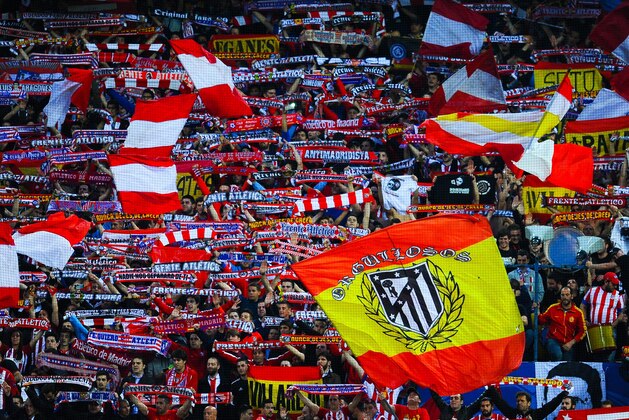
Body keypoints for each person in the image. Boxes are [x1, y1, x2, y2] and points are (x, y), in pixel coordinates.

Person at [580, 272, 626, 361]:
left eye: (616, 284)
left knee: (609, 358)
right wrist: (585, 319)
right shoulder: (593, 291)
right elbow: (582, 305)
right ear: (606, 282)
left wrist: (613, 325)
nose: (615, 287)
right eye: (613, 284)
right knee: (595, 356)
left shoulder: (617, 295)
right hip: (594, 329)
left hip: (610, 330)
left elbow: (621, 314)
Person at [538, 286, 587, 361]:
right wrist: (537, 309)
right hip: (553, 340)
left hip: (568, 343)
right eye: (562, 295)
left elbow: (583, 331)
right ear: (560, 296)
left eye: (567, 295)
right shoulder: (552, 308)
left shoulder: (578, 312)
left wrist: (571, 343)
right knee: (558, 355)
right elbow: (541, 320)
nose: (565, 297)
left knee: (567, 365)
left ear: (572, 296)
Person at [487, 387, 569, 420]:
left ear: (529, 403)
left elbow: (551, 406)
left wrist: (564, 393)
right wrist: (491, 388)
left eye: (522, 401)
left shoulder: (536, 414)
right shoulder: (512, 413)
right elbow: (500, 403)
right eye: (518, 401)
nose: (519, 403)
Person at [296, 391, 361, 420]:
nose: (332, 401)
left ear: (339, 401)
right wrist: (297, 392)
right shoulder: (324, 412)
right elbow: (309, 403)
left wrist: (362, 390)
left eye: (335, 399)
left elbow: (355, 402)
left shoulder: (346, 410)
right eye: (330, 400)